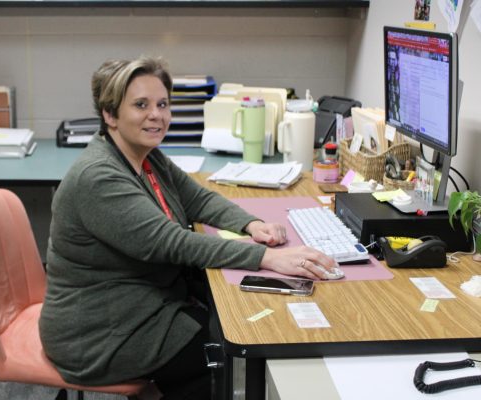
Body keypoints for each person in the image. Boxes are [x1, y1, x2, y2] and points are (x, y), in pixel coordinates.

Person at [39, 56, 337, 399]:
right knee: (219, 351)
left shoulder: (145, 156)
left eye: (163, 104)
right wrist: (265, 258)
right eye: (141, 105)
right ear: (110, 115)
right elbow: (171, 243)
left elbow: (198, 199)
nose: (157, 115)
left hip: (138, 299)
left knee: (227, 319)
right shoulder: (99, 176)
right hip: (98, 333)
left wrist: (251, 224)